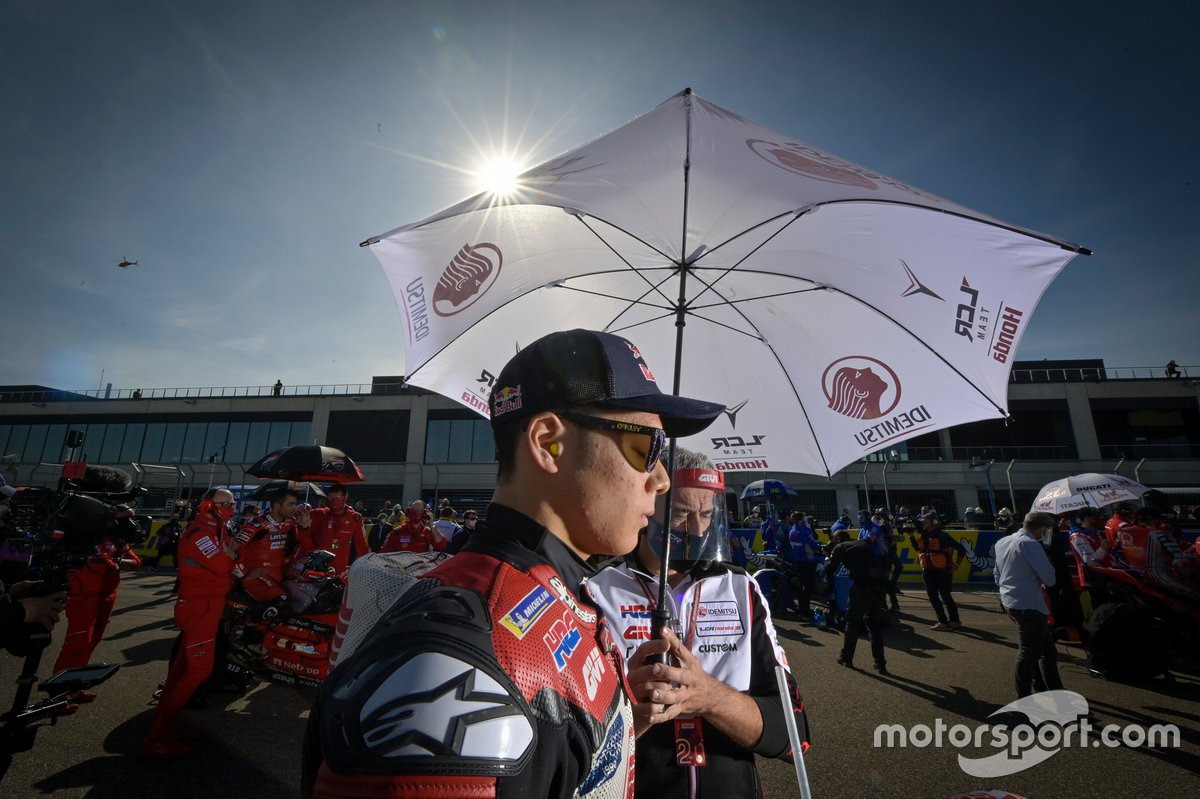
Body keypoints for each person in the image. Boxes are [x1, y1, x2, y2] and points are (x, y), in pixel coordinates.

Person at [303, 328, 724, 798]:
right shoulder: (454, 660)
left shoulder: (551, 590)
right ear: (548, 443)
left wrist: (619, 727)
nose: (662, 480)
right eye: (648, 448)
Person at [589, 447, 809, 798]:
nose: (695, 528)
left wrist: (708, 697)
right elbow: (572, 744)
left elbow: (791, 732)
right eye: (679, 513)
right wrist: (632, 713)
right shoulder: (597, 588)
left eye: (706, 514)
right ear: (648, 506)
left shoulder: (740, 587)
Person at [141, 489, 238, 758]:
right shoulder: (200, 532)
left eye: (232, 502)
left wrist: (231, 557)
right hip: (199, 608)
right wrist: (230, 557)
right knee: (197, 670)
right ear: (208, 505)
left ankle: (167, 727)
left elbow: (230, 559)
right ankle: (157, 739)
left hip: (205, 606)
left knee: (181, 671)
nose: (231, 506)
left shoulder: (216, 530)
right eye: (226, 503)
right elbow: (222, 563)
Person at [52, 530, 141, 678]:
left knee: (93, 641)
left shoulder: (118, 538)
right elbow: (103, 564)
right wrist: (116, 563)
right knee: (78, 643)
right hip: (84, 594)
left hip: (108, 594)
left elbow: (136, 563)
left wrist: (116, 562)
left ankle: (75, 685)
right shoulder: (89, 533)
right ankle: (59, 690)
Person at [993, 512, 1063, 698]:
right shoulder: (1031, 545)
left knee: (1046, 652)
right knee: (1030, 653)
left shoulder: (1004, 541)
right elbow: (1050, 580)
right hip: (1029, 603)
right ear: (1042, 528)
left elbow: (997, 572)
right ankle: (1024, 695)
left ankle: (1049, 690)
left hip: (1011, 600)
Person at [825, 534, 891, 674]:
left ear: (837, 540)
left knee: (852, 623)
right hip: (879, 586)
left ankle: (846, 658)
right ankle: (880, 664)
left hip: (861, 588)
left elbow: (830, 569)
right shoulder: (861, 543)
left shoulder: (840, 547)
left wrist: (828, 556)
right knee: (873, 625)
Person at [234, 487, 302, 605]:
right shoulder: (255, 525)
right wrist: (244, 575)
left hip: (280, 578)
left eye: (295, 504)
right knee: (280, 601)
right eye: (290, 504)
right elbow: (232, 550)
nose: (294, 507)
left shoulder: (291, 523)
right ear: (277, 506)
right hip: (256, 579)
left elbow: (299, 545)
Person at [296, 485, 367, 579]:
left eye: (338, 497)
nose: (334, 501)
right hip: (316, 570)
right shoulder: (317, 514)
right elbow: (303, 540)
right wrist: (302, 526)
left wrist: (360, 569)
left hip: (339, 573)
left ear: (345, 497)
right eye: (331, 498)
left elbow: (361, 547)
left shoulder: (355, 518)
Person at [912, 512, 966, 630]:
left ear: (933, 522)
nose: (923, 523)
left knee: (945, 596)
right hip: (927, 571)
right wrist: (911, 535)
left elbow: (961, 549)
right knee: (932, 596)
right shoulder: (923, 535)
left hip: (942, 571)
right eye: (922, 521)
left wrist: (957, 564)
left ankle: (954, 620)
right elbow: (917, 548)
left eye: (926, 521)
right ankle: (942, 621)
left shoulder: (942, 535)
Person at [783, 510, 822, 617]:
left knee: (801, 586)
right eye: (803, 518)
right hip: (807, 561)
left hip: (797, 561)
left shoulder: (792, 530)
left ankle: (802, 609)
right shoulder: (805, 531)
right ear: (800, 520)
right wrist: (819, 547)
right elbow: (814, 544)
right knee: (808, 587)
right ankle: (806, 610)